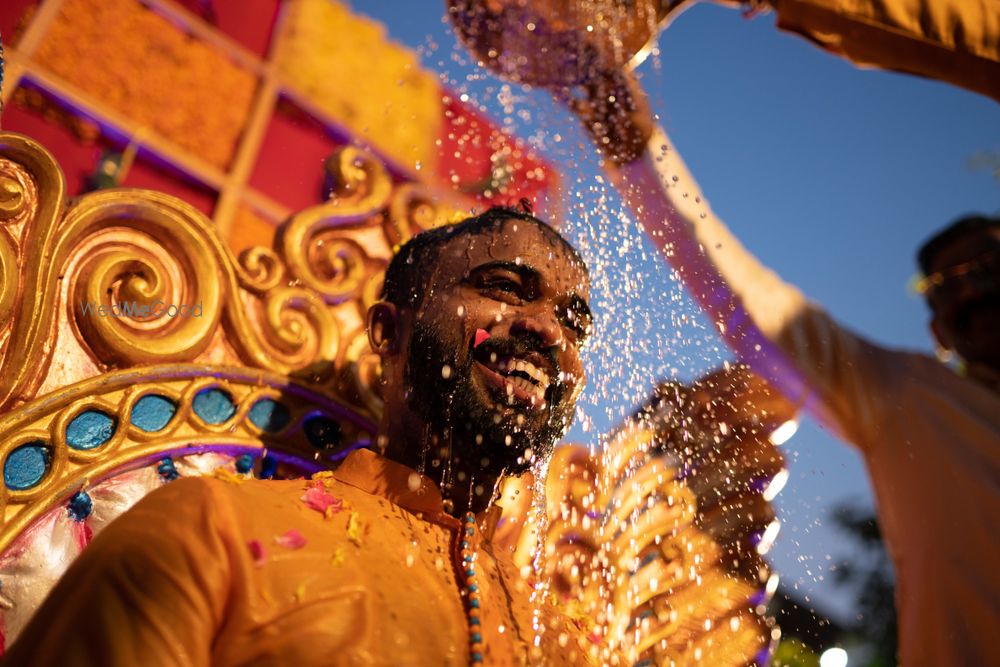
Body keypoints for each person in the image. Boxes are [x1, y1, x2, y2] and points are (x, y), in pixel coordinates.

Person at [1, 207, 602, 666]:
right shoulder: (211, 530)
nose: (548, 331)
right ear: (389, 331)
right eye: (501, 287)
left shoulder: (564, 644)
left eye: (574, 322)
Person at [570, 68, 1000, 664]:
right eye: (948, 287)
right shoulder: (912, 396)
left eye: (987, 267)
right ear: (936, 332)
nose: (973, 293)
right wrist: (636, 149)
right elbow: (753, 304)